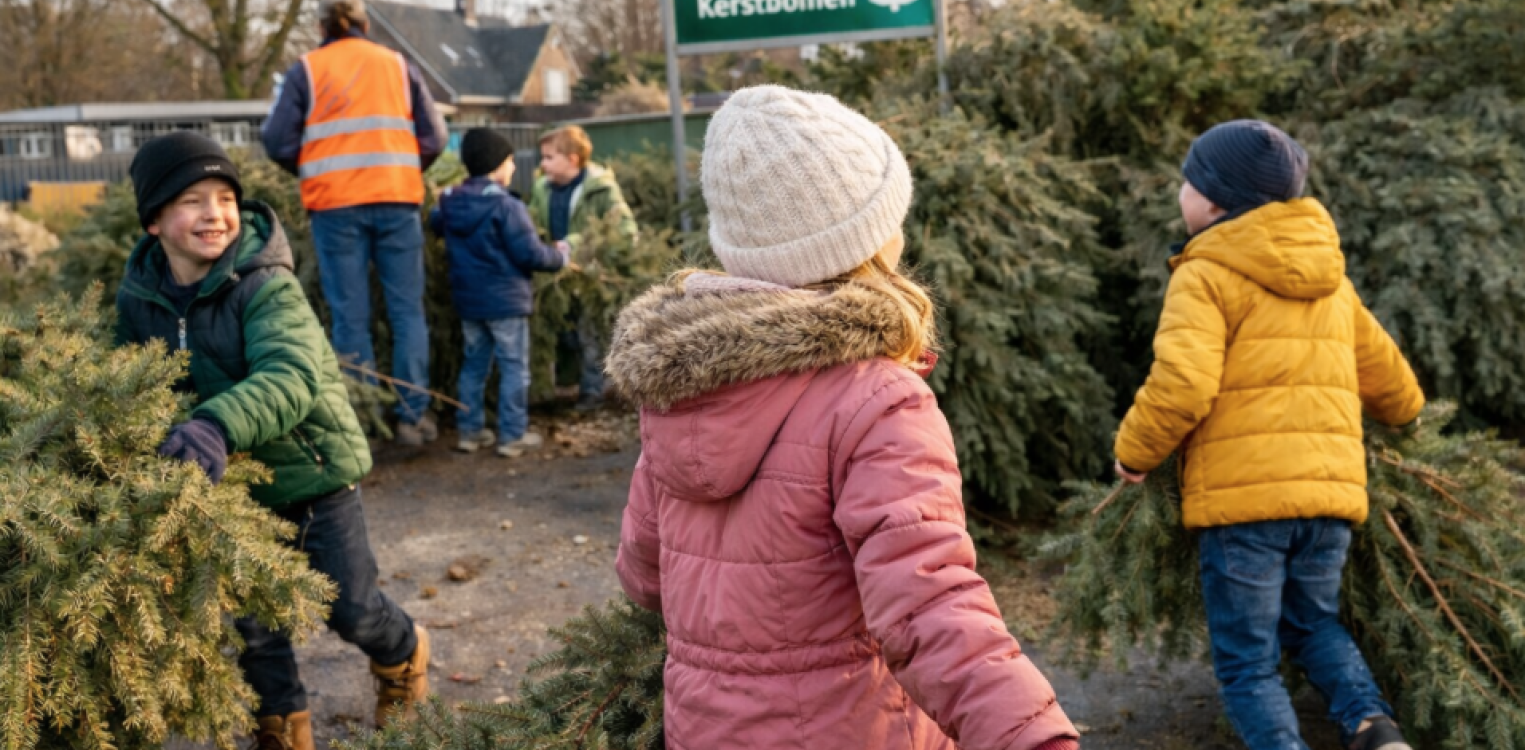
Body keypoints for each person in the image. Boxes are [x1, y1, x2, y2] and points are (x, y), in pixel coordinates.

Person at [606, 86, 1081, 750]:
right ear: (861, 242)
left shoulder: (677, 388)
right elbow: (928, 605)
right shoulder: (874, 400)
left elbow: (641, 573)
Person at [1112, 120, 1424, 750]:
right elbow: (1395, 386)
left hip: (1243, 510)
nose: (1181, 192)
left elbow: (1182, 386)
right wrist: (1397, 419)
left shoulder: (1204, 273)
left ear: (1217, 199)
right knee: (1315, 627)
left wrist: (1133, 455)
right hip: (1328, 506)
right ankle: (1375, 729)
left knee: (1247, 663)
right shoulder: (1331, 279)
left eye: (1188, 181)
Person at [117, 132, 430, 750]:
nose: (214, 214)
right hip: (232, 489)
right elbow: (126, 381)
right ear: (154, 222)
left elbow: (289, 378)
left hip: (313, 476)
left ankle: (403, 657)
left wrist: (212, 425)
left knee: (352, 608)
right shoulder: (140, 298)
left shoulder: (265, 283)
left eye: (224, 197)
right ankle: (283, 724)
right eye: (191, 201)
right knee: (251, 622)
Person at [261, 0, 448, 445]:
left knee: (350, 317)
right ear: (365, 22)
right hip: (397, 201)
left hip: (335, 206)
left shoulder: (307, 69)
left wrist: (313, 170)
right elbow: (435, 137)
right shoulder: (397, 65)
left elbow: (276, 139)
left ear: (321, 24)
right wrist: (401, 169)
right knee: (407, 313)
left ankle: (360, 420)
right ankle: (411, 417)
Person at [430, 129, 569, 457]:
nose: (512, 168)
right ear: (496, 166)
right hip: (506, 302)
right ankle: (511, 434)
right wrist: (561, 256)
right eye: (509, 162)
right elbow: (531, 254)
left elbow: (436, 224)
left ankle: (470, 432)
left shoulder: (450, 202)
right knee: (513, 367)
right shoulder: (507, 207)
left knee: (474, 366)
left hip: (469, 303)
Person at [528, 125, 637, 411]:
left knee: (590, 333)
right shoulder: (542, 188)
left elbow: (622, 228)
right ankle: (556, 389)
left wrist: (574, 243)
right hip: (554, 275)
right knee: (561, 332)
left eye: (550, 157)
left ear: (572, 159)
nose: (543, 164)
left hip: (590, 275)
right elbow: (533, 222)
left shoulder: (600, 187)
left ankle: (592, 391)